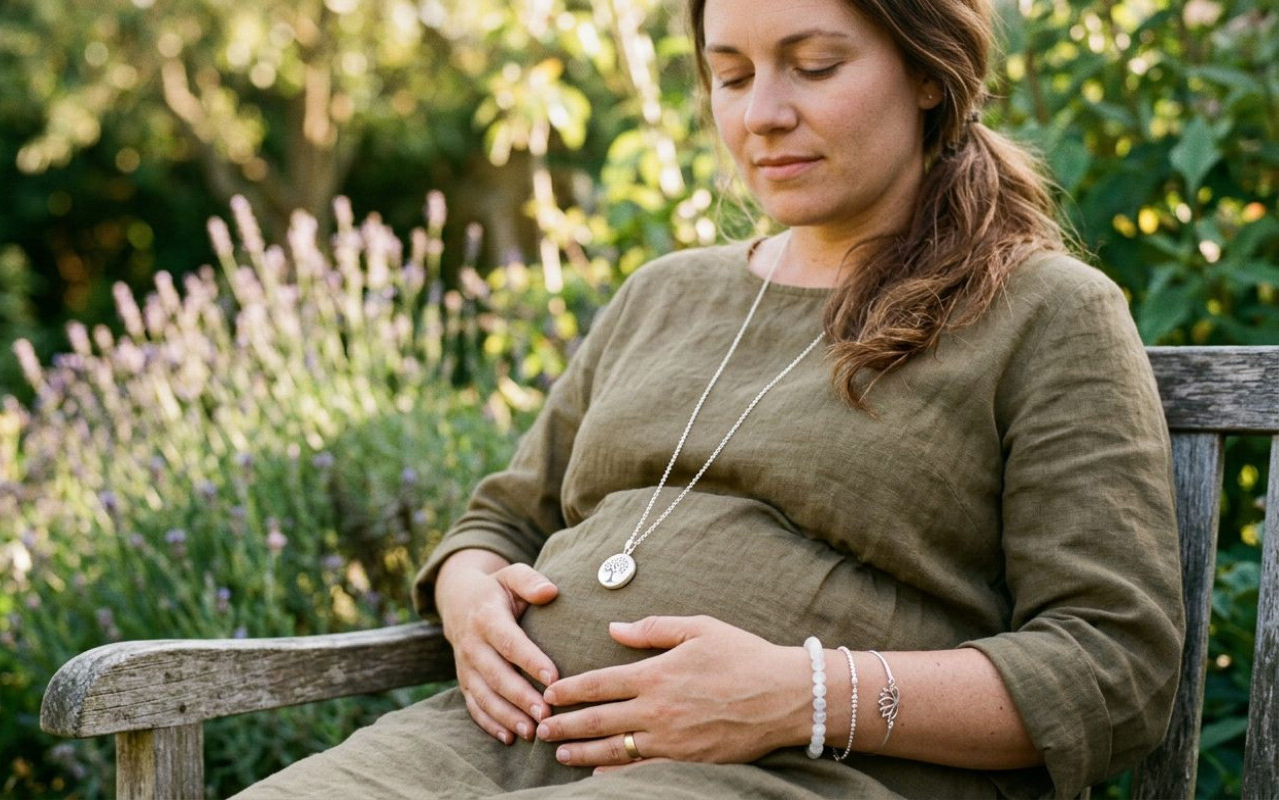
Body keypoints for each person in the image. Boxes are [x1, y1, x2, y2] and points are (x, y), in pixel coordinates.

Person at [236, 0, 1184, 794]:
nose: (762, 114)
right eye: (731, 77)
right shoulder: (667, 292)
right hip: (493, 744)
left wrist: (806, 695)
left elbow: (1113, 667)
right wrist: (466, 594)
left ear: (927, 71)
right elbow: (502, 517)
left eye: (813, 66)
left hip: (796, 774)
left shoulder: (1044, 312)